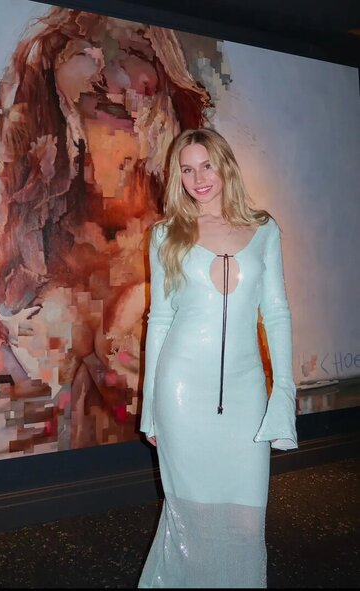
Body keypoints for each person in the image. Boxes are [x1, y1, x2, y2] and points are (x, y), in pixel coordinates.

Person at [0, 7, 217, 466]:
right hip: (46, 493)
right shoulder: (23, 254)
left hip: (159, 477)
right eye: (88, 52)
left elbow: (240, 389)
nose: (111, 72)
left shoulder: (194, 249)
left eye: (131, 50)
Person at [138, 127, 298, 588]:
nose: (199, 179)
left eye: (207, 166)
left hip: (246, 394)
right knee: (191, 521)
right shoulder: (166, 234)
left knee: (247, 523)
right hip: (181, 392)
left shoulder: (264, 230)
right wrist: (150, 406)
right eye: (187, 170)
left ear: (225, 165)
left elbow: (277, 313)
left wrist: (284, 392)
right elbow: (160, 320)